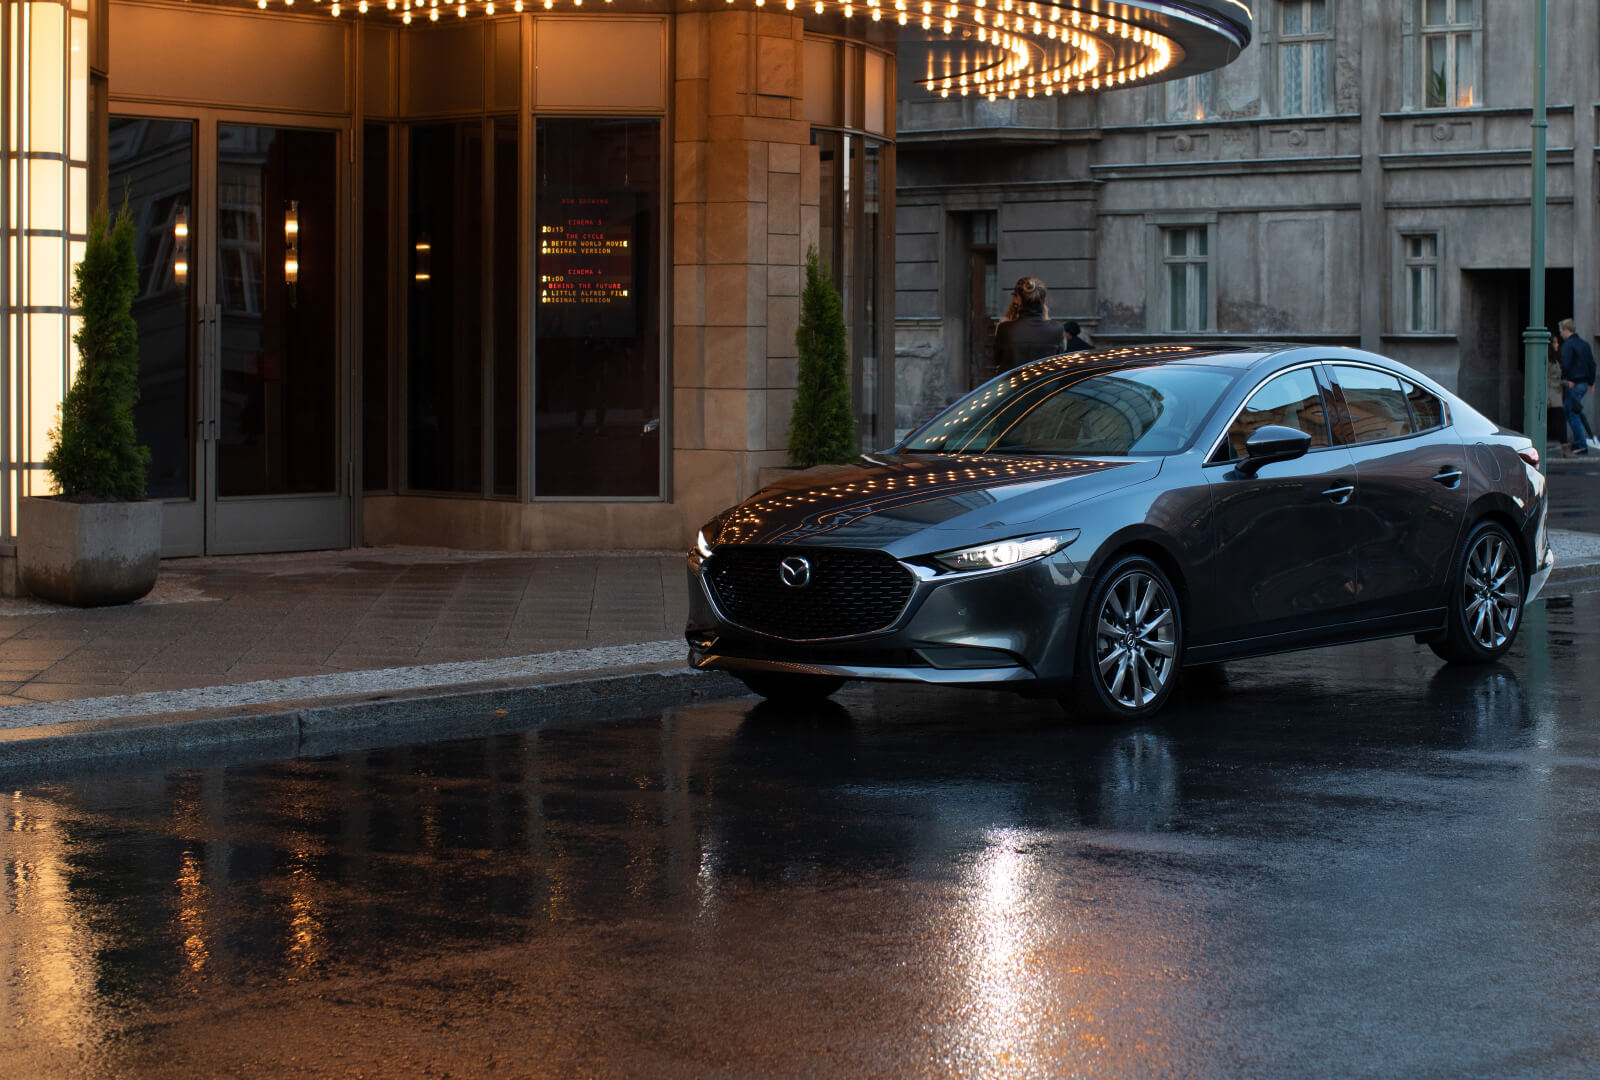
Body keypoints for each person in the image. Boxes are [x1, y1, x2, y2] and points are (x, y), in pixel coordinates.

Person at [994, 277, 1066, 373]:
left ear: (1019, 299)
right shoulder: (1057, 329)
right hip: (1044, 386)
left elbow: (997, 361)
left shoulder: (1005, 329)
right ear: (1044, 300)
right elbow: (1059, 364)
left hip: (1013, 386)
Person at [1556, 317, 1599, 455]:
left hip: (1573, 383)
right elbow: (1592, 364)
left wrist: (1564, 380)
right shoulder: (1584, 344)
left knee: (1571, 412)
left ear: (1566, 330)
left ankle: (1581, 444)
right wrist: (1591, 382)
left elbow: (1566, 365)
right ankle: (1584, 440)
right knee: (1575, 410)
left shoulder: (1568, 346)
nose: (1561, 334)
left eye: (1561, 331)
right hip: (1584, 382)